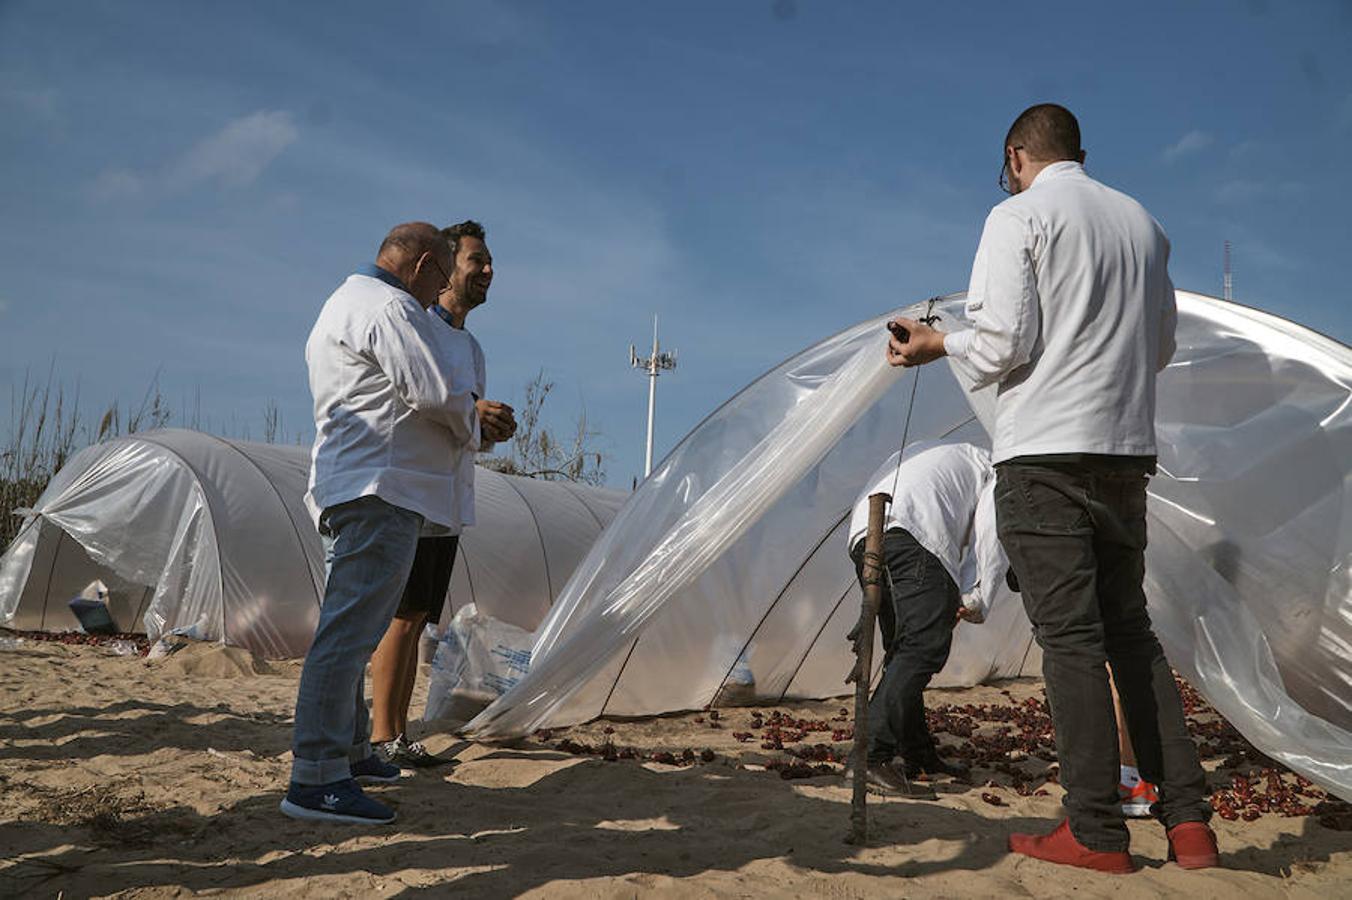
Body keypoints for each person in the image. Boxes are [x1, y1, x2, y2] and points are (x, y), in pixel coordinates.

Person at [886, 104, 1217, 872]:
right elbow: (1161, 346)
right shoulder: (1143, 226)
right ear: (1079, 152)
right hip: (1125, 455)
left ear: (1016, 156)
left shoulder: (1018, 216)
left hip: (1044, 458)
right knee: (1130, 634)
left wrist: (938, 344)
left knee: (1072, 642)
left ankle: (1095, 831)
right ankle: (1190, 824)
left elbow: (1004, 340)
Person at [282, 222, 480, 825]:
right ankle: (316, 777)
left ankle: (350, 749)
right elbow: (433, 391)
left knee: (353, 628)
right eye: (440, 277)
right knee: (348, 636)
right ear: (422, 266)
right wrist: (476, 417)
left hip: (352, 484)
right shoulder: (391, 308)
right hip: (379, 489)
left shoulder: (344, 301)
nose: (437, 292)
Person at [369, 220, 516, 768]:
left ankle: (398, 733)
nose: (488, 270)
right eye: (477, 260)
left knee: (418, 620)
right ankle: (381, 735)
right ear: (445, 267)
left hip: (448, 499)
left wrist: (489, 427)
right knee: (399, 618)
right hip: (411, 491)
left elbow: (463, 425)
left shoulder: (471, 348)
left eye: (489, 261)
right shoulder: (415, 328)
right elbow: (411, 402)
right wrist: (470, 412)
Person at [845, 440, 994, 798]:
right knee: (923, 647)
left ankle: (918, 755)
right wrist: (974, 597)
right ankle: (870, 756)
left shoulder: (942, 453)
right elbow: (989, 538)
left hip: (867, 534)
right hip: (915, 535)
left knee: (903, 652)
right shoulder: (996, 471)